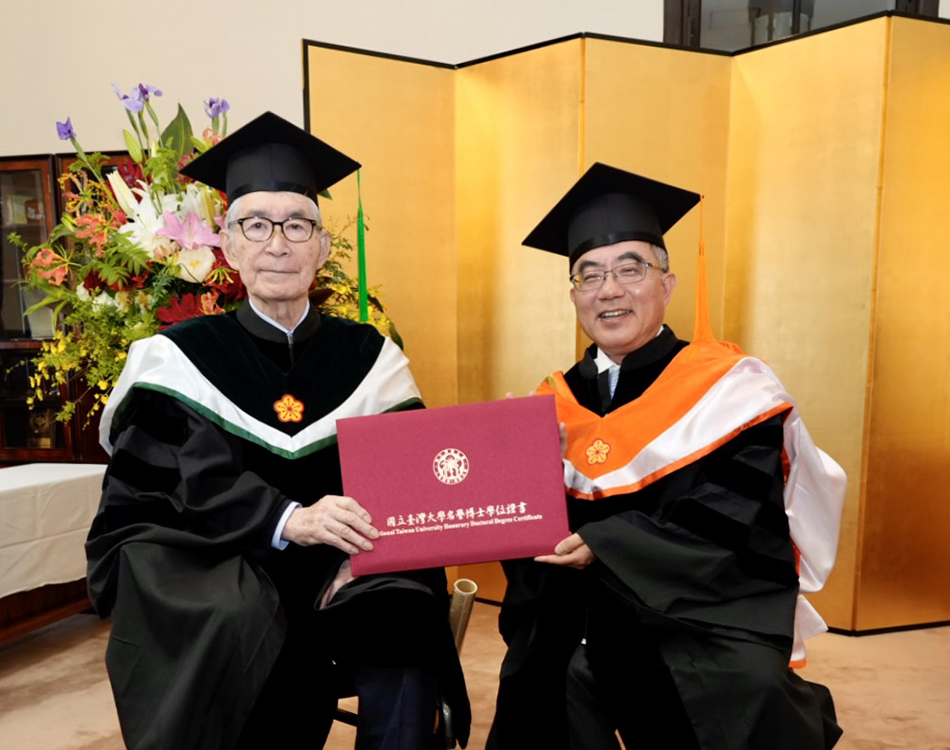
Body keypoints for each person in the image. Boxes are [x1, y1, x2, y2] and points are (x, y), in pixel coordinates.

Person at [86, 112, 469, 750]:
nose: (278, 244)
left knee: (403, 609)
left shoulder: (369, 358)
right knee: (238, 619)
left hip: (343, 562)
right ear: (228, 248)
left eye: (298, 225)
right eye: (255, 226)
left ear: (321, 246)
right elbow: (160, 490)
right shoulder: (179, 357)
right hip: (221, 562)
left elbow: (407, 481)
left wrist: (369, 556)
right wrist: (287, 518)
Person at [487, 163, 845, 749]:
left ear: (667, 283)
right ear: (574, 293)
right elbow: (522, 534)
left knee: (737, 695)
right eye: (589, 275)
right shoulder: (550, 401)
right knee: (545, 678)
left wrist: (607, 544)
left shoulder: (731, 389)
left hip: (694, 611)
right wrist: (525, 472)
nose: (609, 290)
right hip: (575, 612)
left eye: (632, 269)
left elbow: (735, 515)